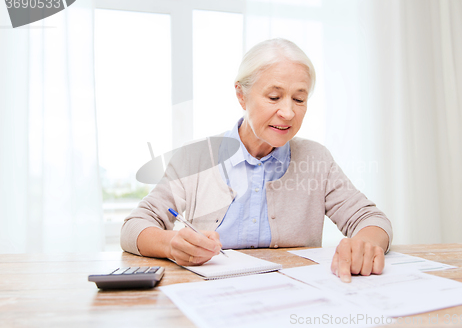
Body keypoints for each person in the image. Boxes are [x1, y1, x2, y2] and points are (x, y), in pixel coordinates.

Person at [120, 38, 392, 283]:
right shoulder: (195, 158)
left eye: (299, 99)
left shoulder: (315, 158)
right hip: (211, 300)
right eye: (274, 97)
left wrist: (364, 244)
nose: (287, 112)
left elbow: (370, 218)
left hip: (295, 298)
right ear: (241, 95)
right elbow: (135, 226)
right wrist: (171, 244)